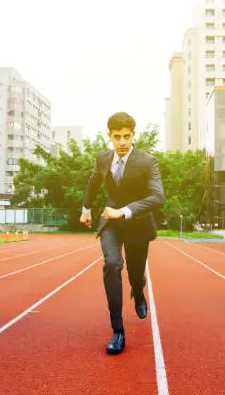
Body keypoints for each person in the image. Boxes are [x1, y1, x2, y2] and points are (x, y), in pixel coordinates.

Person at [80, 112, 164, 355]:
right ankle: (117, 330)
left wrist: (125, 211)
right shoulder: (103, 158)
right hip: (111, 224)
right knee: (113, 264)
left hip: (137, 224)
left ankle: (138, 292)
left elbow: (157, 197)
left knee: (135, 275)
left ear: (133, 134)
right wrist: (86, 209)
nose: (122, 142)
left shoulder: (148, 162)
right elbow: (94, 182)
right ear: (110, 136)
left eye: (127, 136)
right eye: (117, 137)